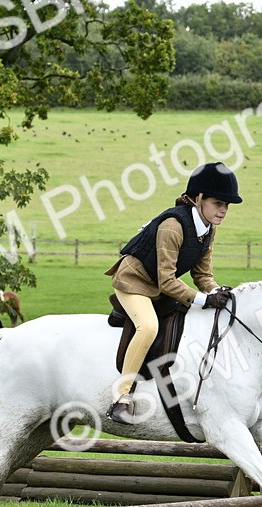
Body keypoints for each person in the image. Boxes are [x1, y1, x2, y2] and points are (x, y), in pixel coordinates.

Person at [103, 161, 240, 424]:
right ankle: (121, 398)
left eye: (226, 205)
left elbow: (202, 275)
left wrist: (219, 292)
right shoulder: (172, 226)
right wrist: (204, 299)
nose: (223, 210)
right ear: (199, 199)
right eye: (218, 203)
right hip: (134, 282)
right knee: (148, 327)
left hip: (157, 286)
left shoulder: (208, 229)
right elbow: (166, 280)